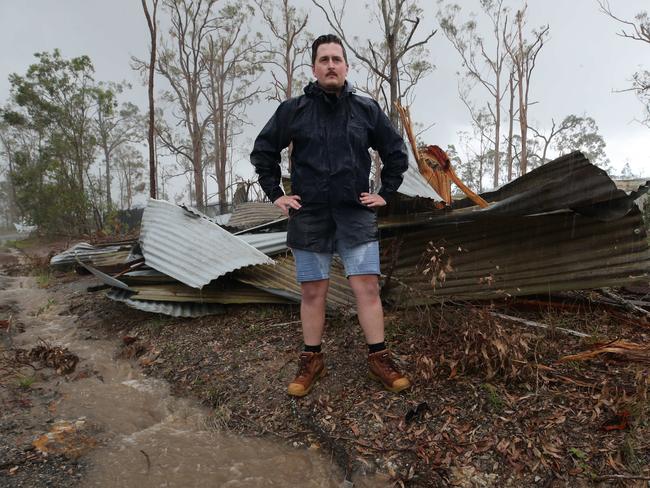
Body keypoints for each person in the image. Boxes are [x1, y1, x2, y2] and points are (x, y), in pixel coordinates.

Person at [251, 34, 410, 397]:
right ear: (314, 68)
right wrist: (277, 194)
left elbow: (395, 151)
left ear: (346, 66)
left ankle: (378, 357)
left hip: (355, 213)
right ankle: (312, 359)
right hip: (310, 215)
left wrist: (386, 193)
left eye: (337, 59)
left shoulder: (365, 109)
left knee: (366, 288)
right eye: (324, 59)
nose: (331, 65)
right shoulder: (294, 110)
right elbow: (264, 152)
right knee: (312, 291)